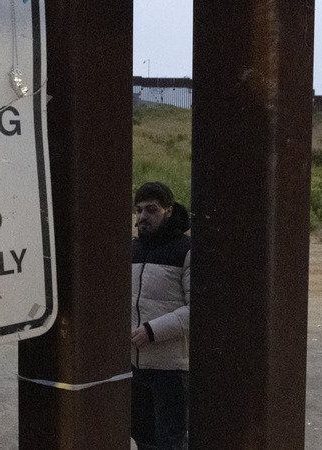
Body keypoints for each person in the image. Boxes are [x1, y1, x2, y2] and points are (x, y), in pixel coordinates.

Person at [130, 182, 190, 450]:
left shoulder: (187, 251)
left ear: (169, 210)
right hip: (134, 366)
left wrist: (151, 331)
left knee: (170, 442)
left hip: (171, 370)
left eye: (151, 209)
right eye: (139, 210)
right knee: (143, 439)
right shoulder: (132, 250)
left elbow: (198, 309)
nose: (143, 217)